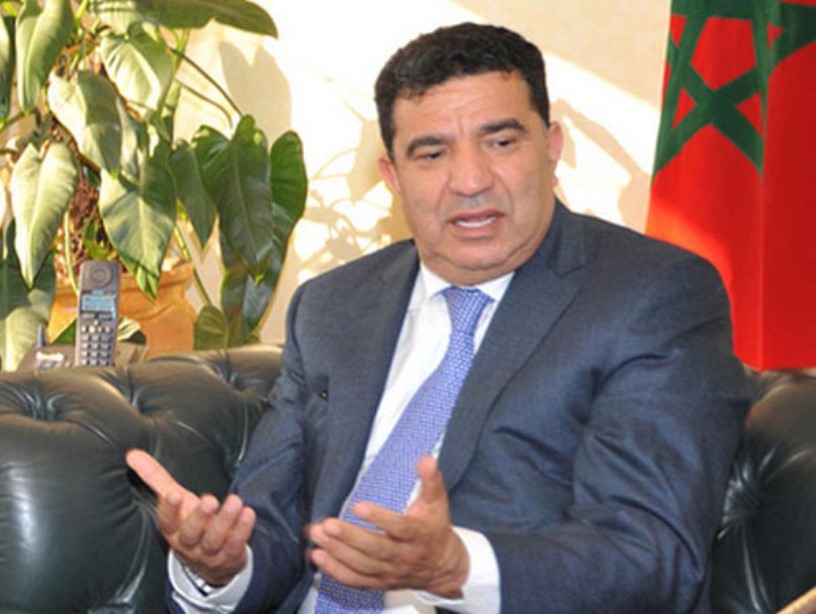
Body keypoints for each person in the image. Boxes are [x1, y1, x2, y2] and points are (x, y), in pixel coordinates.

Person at [127, 22, 750, 613]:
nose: (471, 180)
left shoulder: (649, 296)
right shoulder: (333, 305)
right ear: (393, 176)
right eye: (431, 154)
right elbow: (273, 518)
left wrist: (456, 569)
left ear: (552, 147)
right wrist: (222, 565)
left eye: (501, 142)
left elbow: (651, 553)